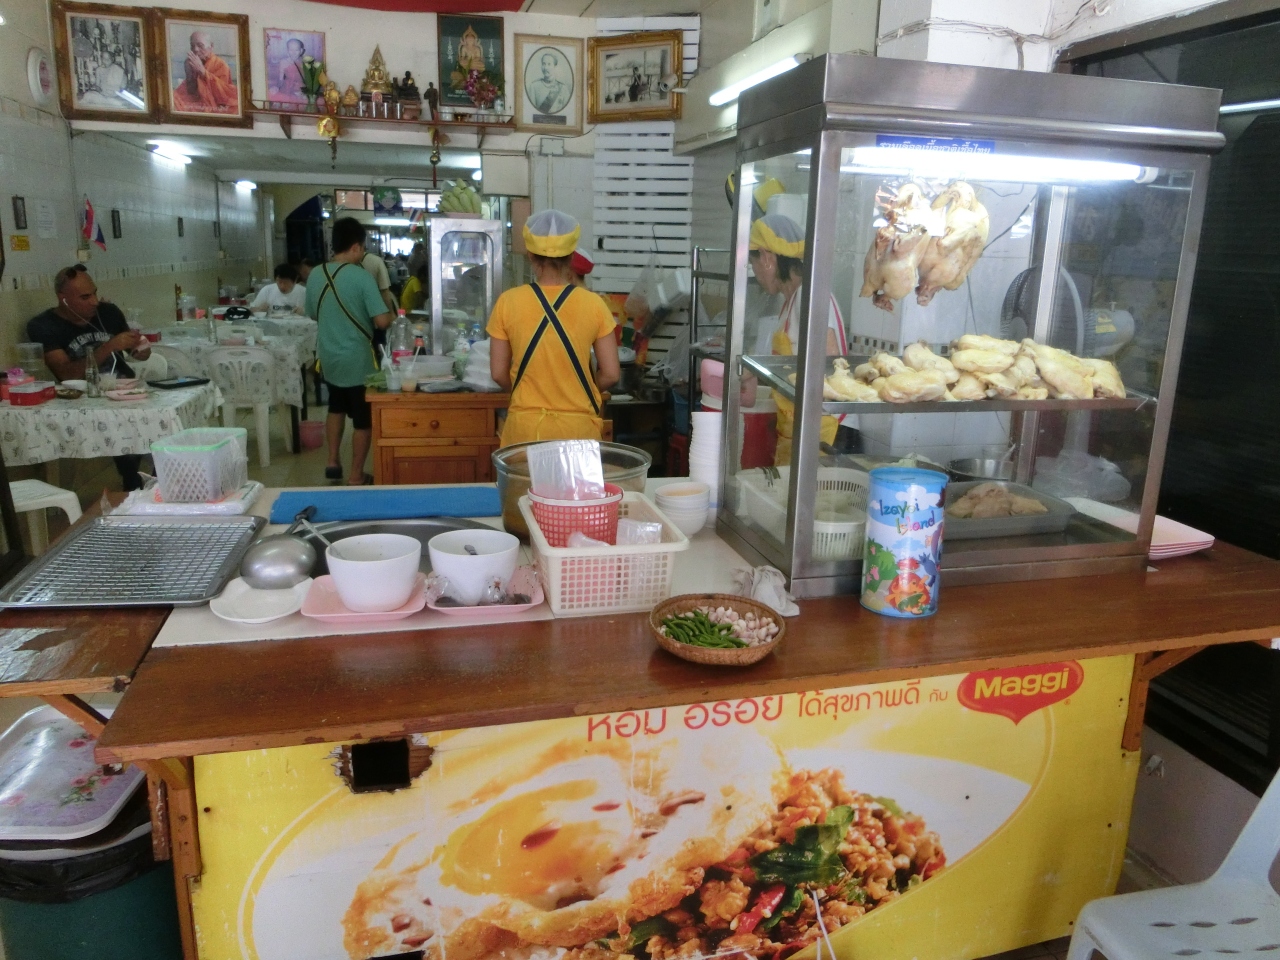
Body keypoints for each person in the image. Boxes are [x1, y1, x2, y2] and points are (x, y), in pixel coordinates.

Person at [487, 210, 619, 446]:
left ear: (530, 255)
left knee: (522, 474)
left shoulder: (508, 301)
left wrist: (526, 390)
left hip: (525, 430)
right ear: (571, 255)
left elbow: (498, 373)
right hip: (577, 431)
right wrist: (579, 390)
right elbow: (611, 374)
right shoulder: (595, 304)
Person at [27, 265, 155, 490]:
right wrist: (108, 347)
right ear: (63, 299)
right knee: (120, 425)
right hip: (84, 397)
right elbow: (65, 372)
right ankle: (133, 480)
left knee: (159, 423)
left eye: (95, 293)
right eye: (85, 297)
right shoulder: (43, 326)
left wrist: (141, 350)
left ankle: (151, 478)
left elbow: (135, 350)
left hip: (125, 389)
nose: (95, 301)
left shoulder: (109, 313)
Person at [747, 213, 856, 466]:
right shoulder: (792, 301)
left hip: (826, 430)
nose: (755, 273)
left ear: (767, 258)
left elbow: (830, 367)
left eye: (753, 264)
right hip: (806, 425)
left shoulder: (810, 295)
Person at [306, 218, 394, 485]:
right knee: (362, 420)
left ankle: (333, 461)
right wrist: (393, 315)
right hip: (359, 361)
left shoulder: (316, 274)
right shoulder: (362, 277)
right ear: (356, 246)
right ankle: (356, 474)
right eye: (363, 248)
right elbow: (381, 321)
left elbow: (312, 313)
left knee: (335, 407)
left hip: (328, 357)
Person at [172, 30, 238, 114]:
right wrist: (190, 74)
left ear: (211, 46)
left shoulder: (221, 65)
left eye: (200, 45)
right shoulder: (190, 63)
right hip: (195, 101)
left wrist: (202, 71)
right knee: (172, 100)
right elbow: (191, 91)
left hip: (213, 103)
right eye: (192, 46)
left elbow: (222, 96)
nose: (195, 49)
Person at [360, 248, 397, 315]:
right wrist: (391, 313)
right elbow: (384, 291)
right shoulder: (376, 261)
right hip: (376, 310)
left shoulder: (341, 264)